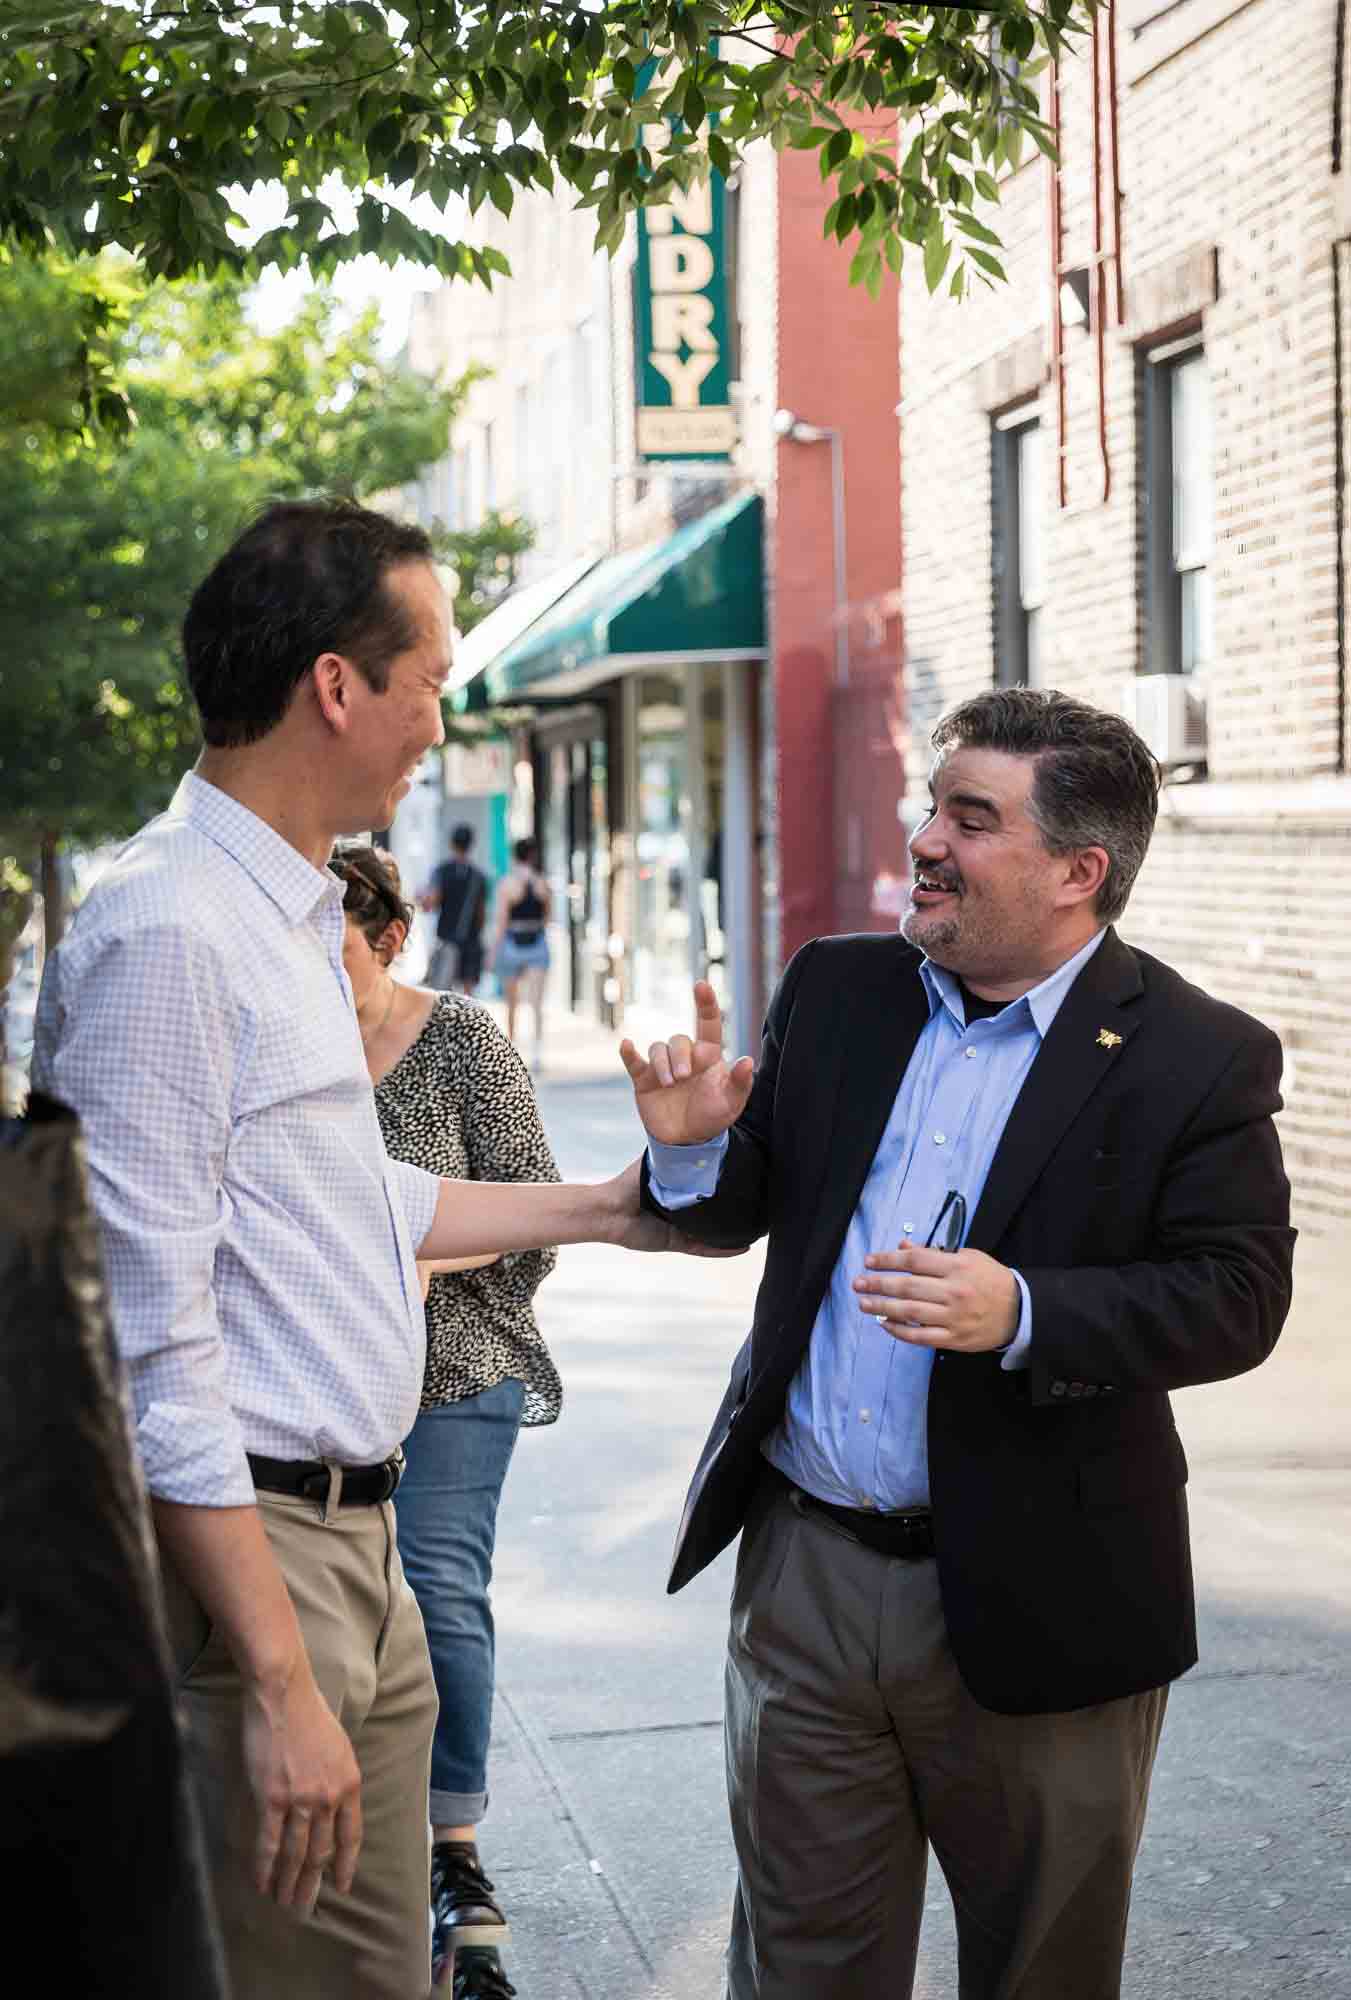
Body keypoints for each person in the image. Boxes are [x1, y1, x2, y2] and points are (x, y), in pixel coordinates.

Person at [31, 498, 730, 2000]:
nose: (439, 719)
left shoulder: (286, 915)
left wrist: (629, 1200)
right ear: (335, 688)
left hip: (363, 1552)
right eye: (428, 680)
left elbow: (363, 1204)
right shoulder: (169, 931)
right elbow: (146, 1347)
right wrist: (278, 1679)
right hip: (261, 1572)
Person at [622, 687, 1295, 2000]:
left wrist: (1027, 1312)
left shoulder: (1193, 1057)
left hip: (1044, 1590)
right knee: (800, 1967)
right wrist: (690, 1138)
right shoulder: (835, 991)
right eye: (932, 805)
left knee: (1039, 1966)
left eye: (968, 819)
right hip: (806, 1578)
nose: (923, 838)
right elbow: (733, 1212)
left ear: (1073, 871)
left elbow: (1235, 1295)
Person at [331, 841, 560, 2000]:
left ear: (387, 940)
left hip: (456, 1364)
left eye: (336, 954)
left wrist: (420, 1254)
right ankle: (360, 1846)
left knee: (433, 1587)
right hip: (316, 1381)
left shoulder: (461, 1037)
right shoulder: (287, 1043)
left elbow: (533, 1204)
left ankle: (455, 1852)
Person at [492, 838, 550, 1067]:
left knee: (512, 1001)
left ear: (515, 857)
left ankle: (512, 1049)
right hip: (536, 941)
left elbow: (502, 921)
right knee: (536, 1002)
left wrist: (493, 951)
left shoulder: (507, 884)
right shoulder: (542, 883)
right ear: (532, 856)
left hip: (513, 943)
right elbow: (548, 917)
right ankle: (537, 1052)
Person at [422, 824, 488, 995]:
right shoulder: (478, 876)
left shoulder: (442, 871)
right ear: (471, 845)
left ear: (452, 844)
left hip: (447, 938)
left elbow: (430, 904)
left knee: (442, 993)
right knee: (469, 995)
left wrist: (421, 898)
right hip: (471, 939)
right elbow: (481, 913)